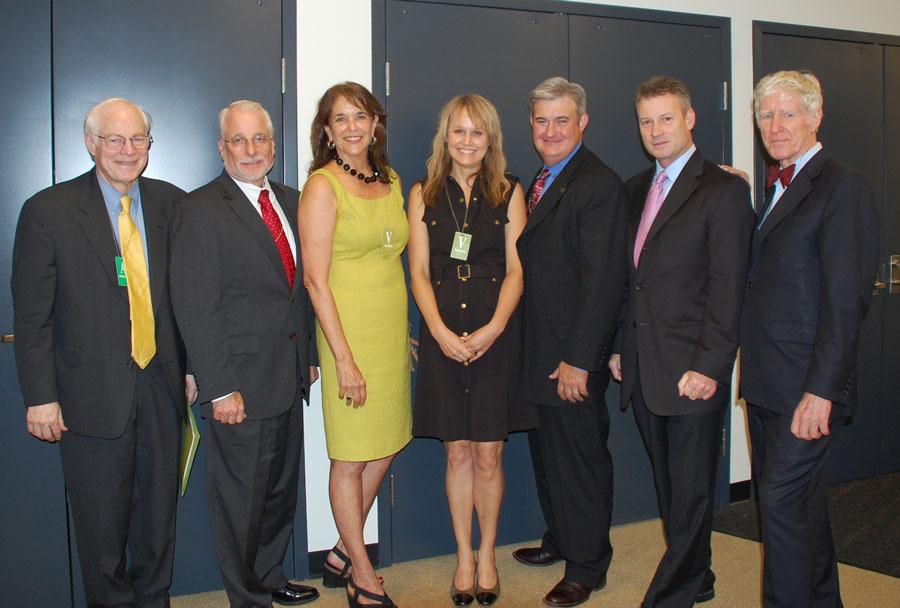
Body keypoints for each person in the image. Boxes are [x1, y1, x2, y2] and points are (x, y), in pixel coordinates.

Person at [12, 97, 190, 607]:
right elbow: (32, 317)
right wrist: (40, 397)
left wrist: (192, 368)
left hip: (161, 386)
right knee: (101, 527)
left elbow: (187, 297)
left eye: (138, 140)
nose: (127, 150)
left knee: (158, 519)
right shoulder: (47, 212)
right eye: (114, 139)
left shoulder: (171, 205)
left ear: (150, 147)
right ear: (91, 143)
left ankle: (154, 599)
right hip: (87, 397)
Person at [608, 76, 755, 607]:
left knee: (691, 492)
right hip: (646, 367)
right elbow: (633, 281)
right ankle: (702, 577)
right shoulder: (633, 190)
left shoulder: (723, 190)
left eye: (666, 118)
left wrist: (711, 367)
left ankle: (670, 596)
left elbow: (728, 288)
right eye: (646, 121)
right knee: (671, 488)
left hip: (694, 369)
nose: (656, 130)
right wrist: (621, 345)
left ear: (690, 119)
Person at [170, 100, 319, 607]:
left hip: (287, 376)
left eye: (260, 140)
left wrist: (310, 355)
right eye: (239, 140)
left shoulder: (293, 201)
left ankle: (270, 575)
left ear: (274, 147)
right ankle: (246, 598)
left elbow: (302, 290)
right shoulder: (201, 208)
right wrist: (218, 386)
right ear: (221, 148)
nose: (251, 150)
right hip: (239, 384)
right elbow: (196, 306)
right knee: (240, 504)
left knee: (277, 494)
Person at [741, 70, 880, 608]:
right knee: (799, 511)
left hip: (807, 389)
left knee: (780, 508)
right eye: (766, 115)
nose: (774, 126)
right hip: (768, 384)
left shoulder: (844, 187)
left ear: (815, 116)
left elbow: (846, 303)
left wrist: (822, 391)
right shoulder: (777, 187)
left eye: (787, 113)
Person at [408, 94, 535, 607]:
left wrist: (494, 328)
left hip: (494, 334)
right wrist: (436, 330)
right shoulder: (423, 193)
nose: (466, 141)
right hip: (443, 332)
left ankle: (487, 554)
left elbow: (517, 268)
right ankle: (462, 555)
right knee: (456, 450)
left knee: (489, 453)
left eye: (476, 133)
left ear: (490, 140)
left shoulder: (509, 191)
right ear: (446, 137)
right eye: (458, 131)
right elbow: (417, 270)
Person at [512, 76, 628, 608]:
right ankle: (561, 538)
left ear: (582, 122)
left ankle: (587, 566)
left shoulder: (597, 183)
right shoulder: (542, 178)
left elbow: (605, 281)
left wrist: (581, 360)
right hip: (539, 352)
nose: (551, 130)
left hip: (571, 358)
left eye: (562, 120)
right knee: (547, 456)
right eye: (542, 120)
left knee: (579, 461)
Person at [299, 82, 411, 608]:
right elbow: (316, 281)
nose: (351, 127)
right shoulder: (322, 187)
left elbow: (392, 260)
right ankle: (361, 573)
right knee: (349, 457)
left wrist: (403, 332)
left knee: (388, 442)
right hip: (347, 335)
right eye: (339, 119)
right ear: (327, 130)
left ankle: (342, 549)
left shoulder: (390, 179)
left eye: (360, 117)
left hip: (388, 333)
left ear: (375, 124)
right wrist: (343, 359)